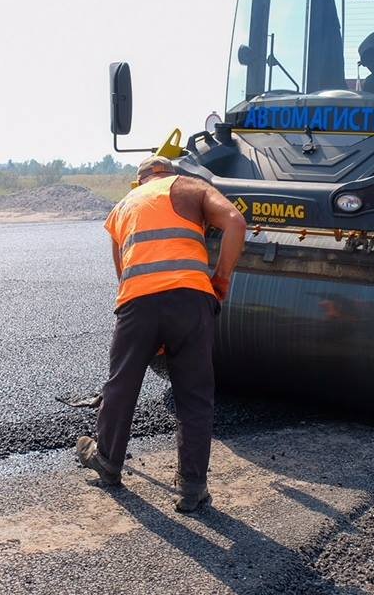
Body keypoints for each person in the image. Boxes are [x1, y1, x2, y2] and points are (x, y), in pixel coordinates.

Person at [75, 155, 246, 513]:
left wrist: (149, 323)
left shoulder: (122, 207)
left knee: (121, 384)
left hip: (138, 303)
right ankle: (191, 487)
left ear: (139, 183)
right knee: (194, 395)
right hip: (192, 298)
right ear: (171, 174)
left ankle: (107, 461)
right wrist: (221, 278)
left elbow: (123, 271)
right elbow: (235, 221)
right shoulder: (192, 187)